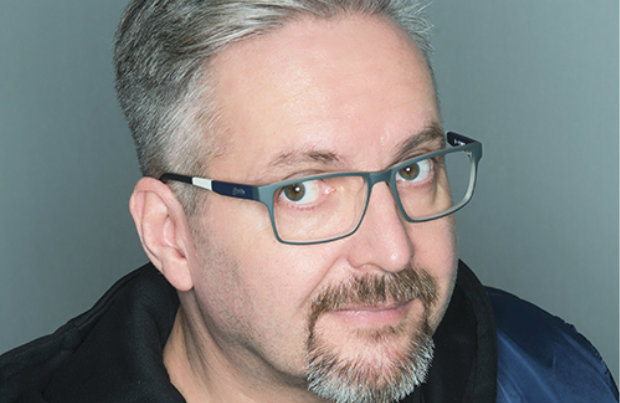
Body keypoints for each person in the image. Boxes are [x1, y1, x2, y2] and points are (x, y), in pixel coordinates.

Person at [0, 1, 617, 402]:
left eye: (414, 168)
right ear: (171, 235)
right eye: (301, 189)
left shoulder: (555, 373)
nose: (393, 251)